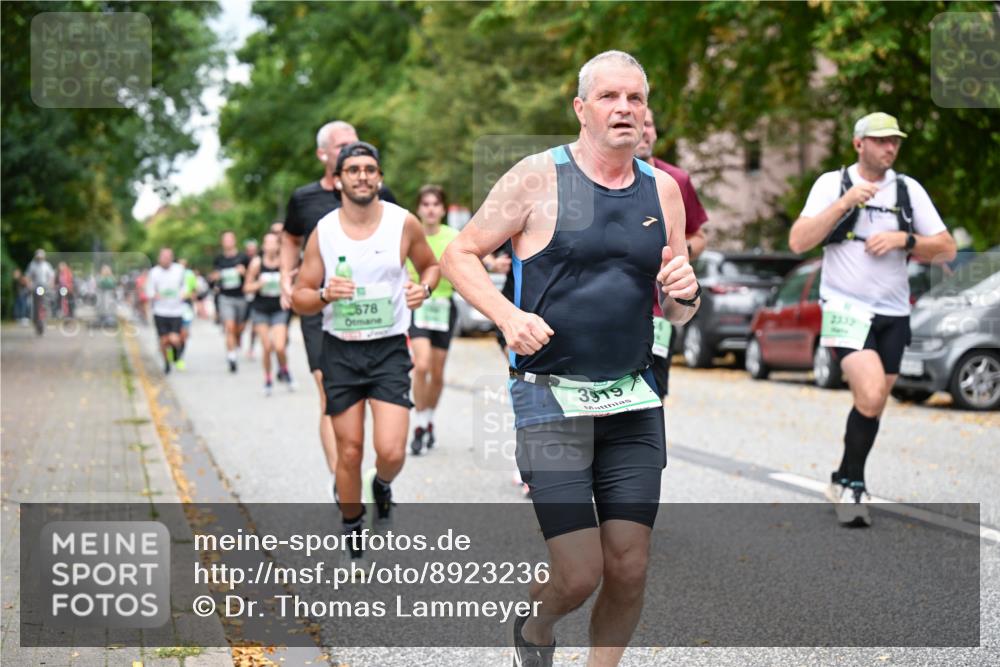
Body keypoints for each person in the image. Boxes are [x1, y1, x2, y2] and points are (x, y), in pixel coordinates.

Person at [441, 51, 699, 667]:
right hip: (548, 397)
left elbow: (679, 305)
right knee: (580, 573)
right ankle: (536, 624)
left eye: (635, 99)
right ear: (581, 109)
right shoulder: (538, 177)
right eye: (610, 97)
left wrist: (686, 294)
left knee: (629, 567)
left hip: (632, 398)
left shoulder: (662, 189)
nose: (625, 109)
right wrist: (508, 316)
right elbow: (460, 254)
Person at [789, 112, 956, 527]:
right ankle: (855, 485)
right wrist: (845, 203)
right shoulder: (832, 184)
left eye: (895, 141)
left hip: (894, 312)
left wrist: (907, 239)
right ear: (858, 144)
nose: (890, 148)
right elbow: (798, 241)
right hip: (845, 307)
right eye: (881, 141)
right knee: (869, 394)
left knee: (876, 401)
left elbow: (948, 248)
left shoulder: (906, 189)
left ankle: (842, 475)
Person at [292, 141, 438, 558]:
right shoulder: (324, 231)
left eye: (369, 169)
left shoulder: (402, 223)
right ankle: (353, 526)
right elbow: (299, 297)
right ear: (338, 180)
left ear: (379, 178)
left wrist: (422, 288)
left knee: (390, 451)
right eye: (353, 169)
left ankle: (383, 485)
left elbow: (431, 265)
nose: (362, 176)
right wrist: (323, 294)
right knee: (350, 449)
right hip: (340, 350)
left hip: (389, 348)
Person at [281, 120, 396, 500]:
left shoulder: (382, 193)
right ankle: (342, 480)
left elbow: (401, 239)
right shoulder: (304, 199)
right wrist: (287, 279)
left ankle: (369, 475)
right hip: (321, 304)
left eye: (357, 144)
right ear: (324, 154)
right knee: (328, 392)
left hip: (373, 311)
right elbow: (290, 238)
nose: (353, 150)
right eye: (343, 146)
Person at [635, 107, 709, 402]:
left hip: (660, 310)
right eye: (639, 124)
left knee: (653, 393)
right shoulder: (603, 179)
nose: (644, 131)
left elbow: (699, 236)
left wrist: (678, 253)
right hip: (618, 304)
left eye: (649, 124)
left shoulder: (675, 180)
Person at [407, 185, 460, 455]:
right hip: (419, 305)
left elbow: (468, 265)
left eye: (435, 204)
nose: (430, 208)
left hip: (444, 307)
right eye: (425, 204)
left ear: (442, 209)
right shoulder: (410, 234)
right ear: (418, 208)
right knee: (421, 365)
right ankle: (418, 424)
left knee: (437, 373)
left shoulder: (454, 236)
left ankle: (428, 421)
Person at [244, 231, 295, 396]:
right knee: (267, 347)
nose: (271, 246)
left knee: (280, 346)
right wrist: (259, 284)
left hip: (279, 309)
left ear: (278, 245)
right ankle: (267, 379)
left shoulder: (283, 263)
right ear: (264, 246)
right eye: (268, 242)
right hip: (261, 310)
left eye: (274, 242)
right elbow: (246, 287)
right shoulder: (256, 264)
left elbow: (291, 284)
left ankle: (285, 370)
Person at [146, 248, 190, 374]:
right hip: (160, 311)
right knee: (164, 341)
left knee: (175, 338)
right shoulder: (154, 272)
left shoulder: (179, 270)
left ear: (172, 258)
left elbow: (185, 286)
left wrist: (183, 294)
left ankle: (176, 356)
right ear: (159, 258)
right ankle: (166, 364)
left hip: (176, 311)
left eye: (168, 257)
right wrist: (155, 295)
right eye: (163, 257)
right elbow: (149, 291)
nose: (165, 259)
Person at [211, 231, 250, 373]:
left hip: (241, 297)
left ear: (234, 241)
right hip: (225, 297)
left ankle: (237, 338)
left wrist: (243, 272)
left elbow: (251, 277)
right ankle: (232, 357)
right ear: (222, 242)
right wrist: (216, 276)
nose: (227, 242)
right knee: (229, 327)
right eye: (225, 239)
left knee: (239, 328)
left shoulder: (243, 257)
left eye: (230, 239)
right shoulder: (218, 259)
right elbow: (213, 278)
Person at [25, 249, 56, 327]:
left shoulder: (47, 265)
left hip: (45, 286)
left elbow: (51, 276)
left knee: (46, 301)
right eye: (38, 257)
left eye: (41, 257)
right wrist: (29, 284)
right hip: (36, 287)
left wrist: (51, 283)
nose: (39, 259)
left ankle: (45, 316)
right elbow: (28, 276)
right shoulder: (32, 265)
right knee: (35, 303)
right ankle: (35, 318)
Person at [244, 238, 260, 359]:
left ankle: (251, 347)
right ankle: (236, 337)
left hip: (256, 298)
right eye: (249, 250)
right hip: (242, 297)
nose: (251, 251)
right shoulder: (243, 260)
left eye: (253, 249)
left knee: (254, 325)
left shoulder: (260, 260)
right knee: (241, 323)